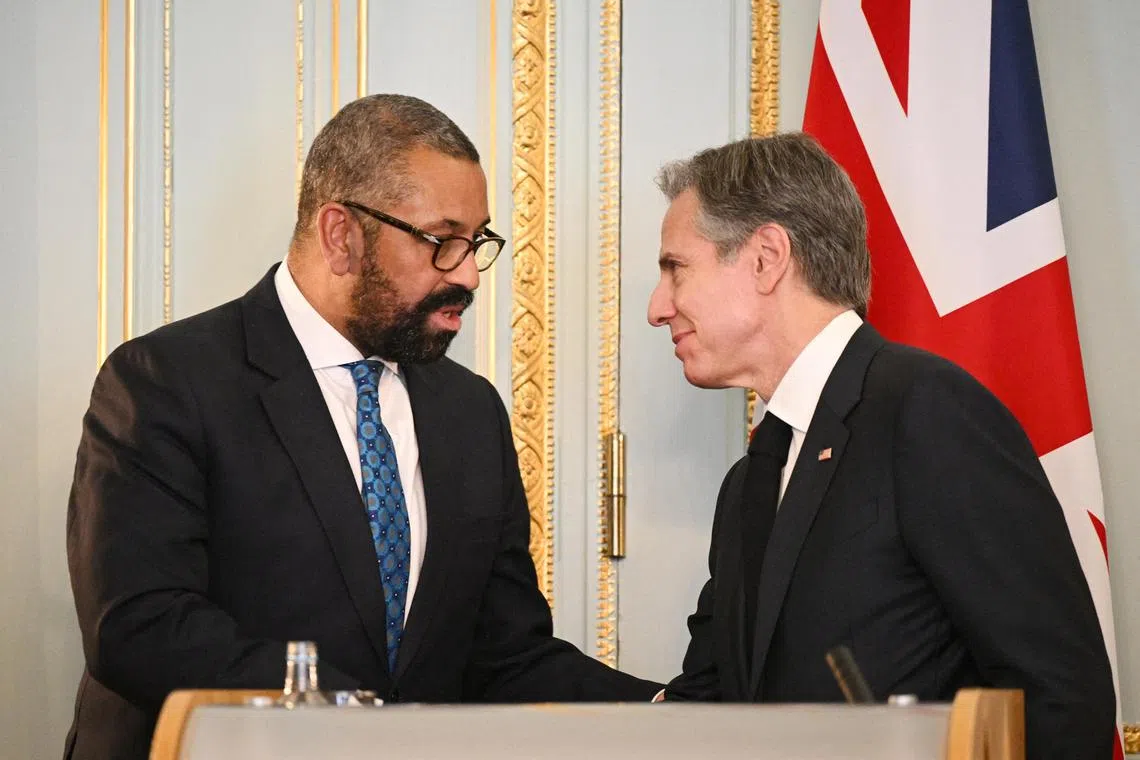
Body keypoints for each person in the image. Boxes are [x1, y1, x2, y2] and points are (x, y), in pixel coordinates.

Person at [65, 94, 660, 760]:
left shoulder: (471, 413)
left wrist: (667, 712)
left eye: (478, 241)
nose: (467, 273)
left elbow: (504, 654)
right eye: (443, 241)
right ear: (340, 234)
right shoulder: (166, 380)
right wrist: (355, 720)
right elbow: (142, 628)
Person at [647, 132, 1114, 758]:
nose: (658, 307)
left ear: (765, 257)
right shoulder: (749, 481)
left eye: (676, 269)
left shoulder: (928, 413)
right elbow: (712, 703)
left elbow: (1060, 699)